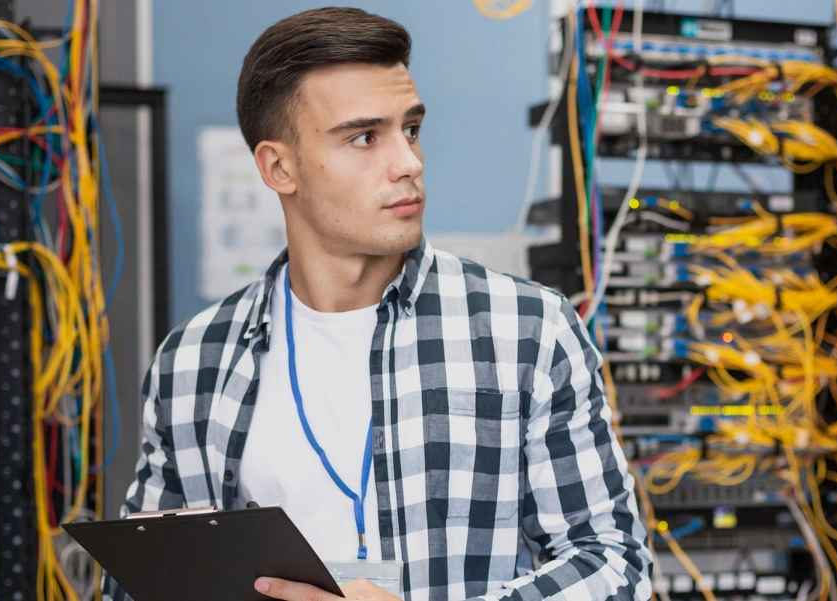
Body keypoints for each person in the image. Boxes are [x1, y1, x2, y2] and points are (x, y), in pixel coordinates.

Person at [104, 7, 652, 601]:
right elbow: (141, 579)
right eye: (365, 137)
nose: (409, 163)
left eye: (410, 129)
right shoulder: (192, 362)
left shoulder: (527, 331)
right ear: (278, 167)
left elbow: (614, 564)